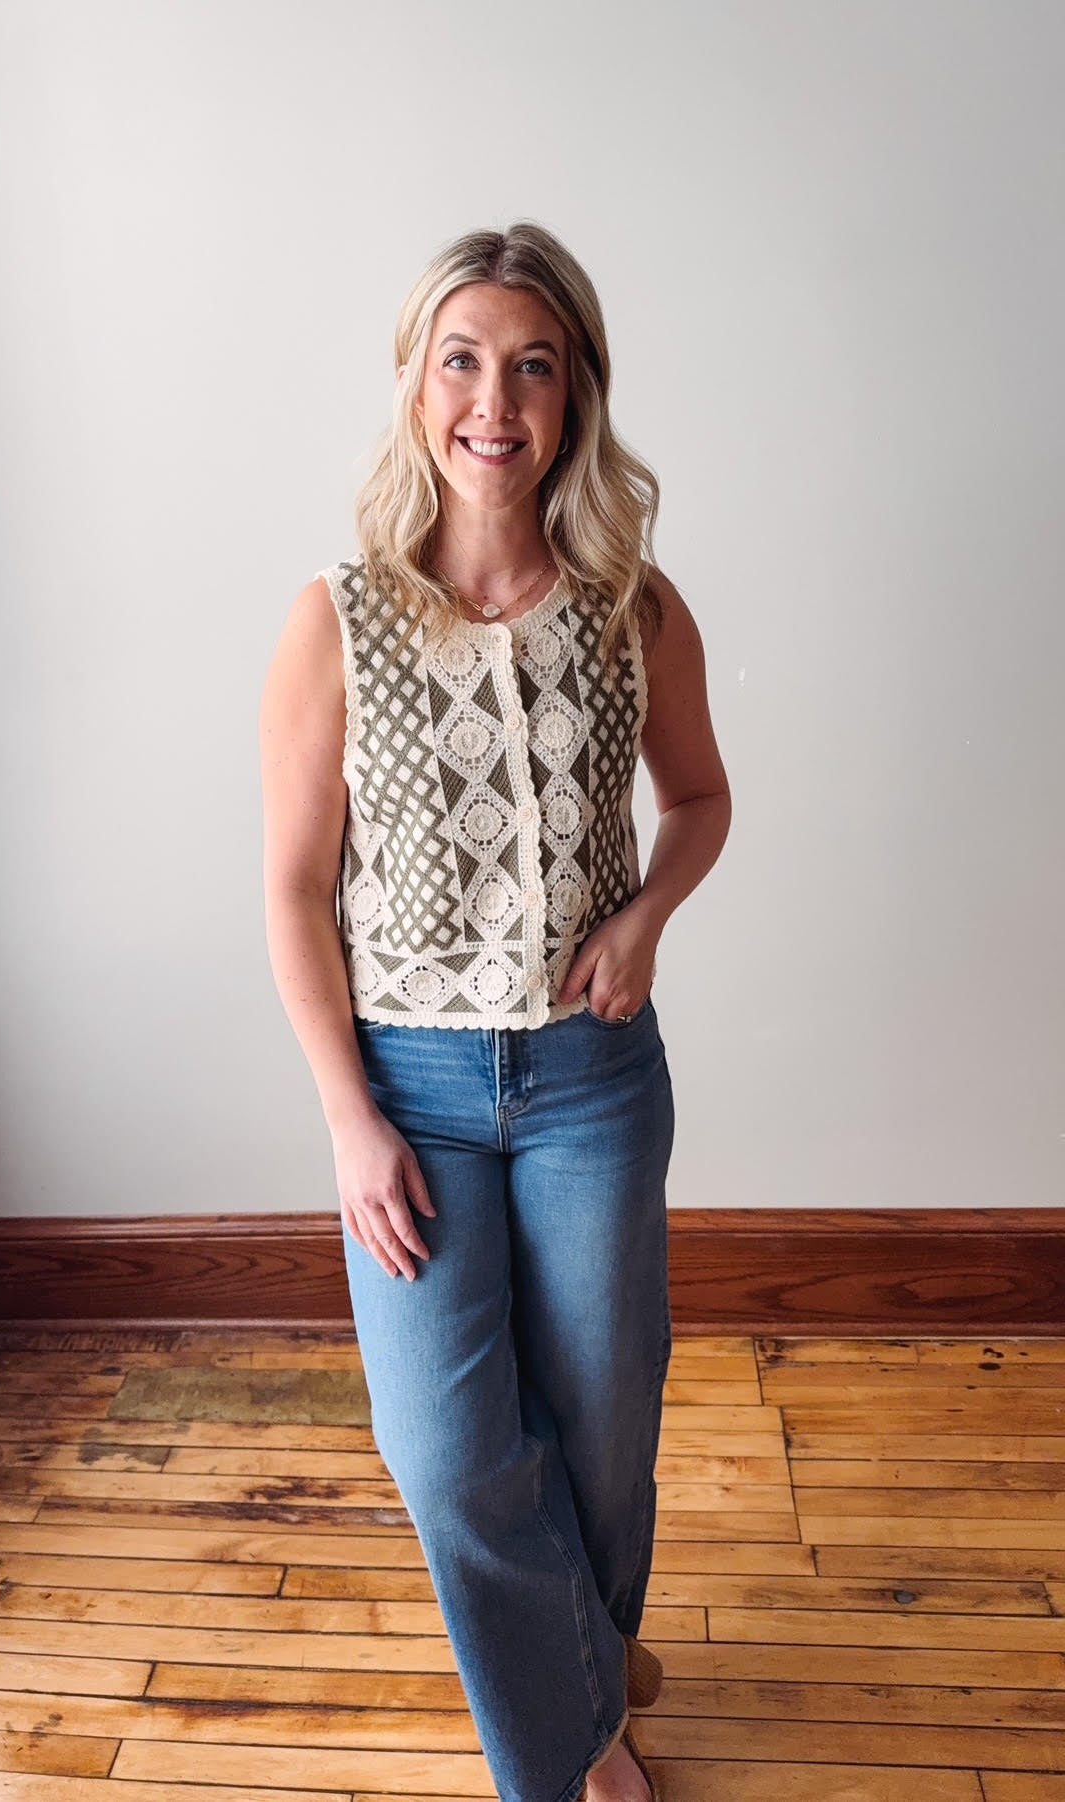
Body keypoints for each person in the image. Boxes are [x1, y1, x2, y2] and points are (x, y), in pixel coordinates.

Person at [260, 220, 731, 1802]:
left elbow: (704, 799)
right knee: (453, 1456)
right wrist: (348, 1120)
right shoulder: (335, 619)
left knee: (601, 1434)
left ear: (577, 394)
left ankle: (583, 1666)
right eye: (462, 358)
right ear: (414, 385)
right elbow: (289, 890)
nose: (495, 399)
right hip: (410, 1090)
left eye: (534, 363)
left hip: (595, 1078)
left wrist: (651, 914)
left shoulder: (630, 605)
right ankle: (576, 1733)